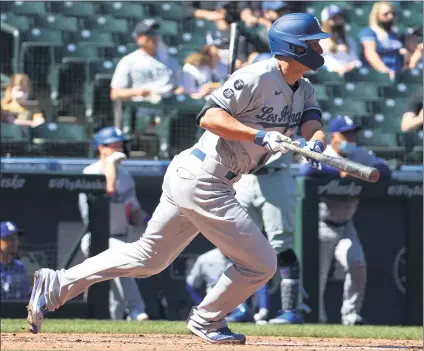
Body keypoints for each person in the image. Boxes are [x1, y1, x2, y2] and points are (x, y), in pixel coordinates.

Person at [27, 13, 329, 344]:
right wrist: (259, 136)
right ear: (293, 48)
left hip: (207, 177)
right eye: (312, 42)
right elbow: (209, 117)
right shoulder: (257, 76)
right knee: (261, 263)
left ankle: (57, 284)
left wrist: (315, 142)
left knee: (149, 258)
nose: (319, 46)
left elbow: (311, 122)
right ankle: (208, 319)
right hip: (204, 176)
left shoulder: (305, 88)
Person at [299, 115, 392, 325]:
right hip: (322, 223)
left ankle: (350, 316)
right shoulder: (325, 153)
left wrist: (355, 171)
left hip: (346, 224)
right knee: (318, 276)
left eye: (353, 134)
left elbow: (385, 170)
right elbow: (306, 169)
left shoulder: (359, 154)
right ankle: (318, 319)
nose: (350, 138)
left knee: (357, 264)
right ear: (334, 136)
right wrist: (338, 170)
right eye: (346, 134)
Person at [233, 52, 303, 325]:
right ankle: (240, 307)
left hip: (276, 176)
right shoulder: (246, 95)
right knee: (240, 245)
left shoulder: (292, 96)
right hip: (246, 176)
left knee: (280, 245)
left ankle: (290, 311)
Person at [79, 126, 150, 321]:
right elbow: (107, 194)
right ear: (101, 148)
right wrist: (109, 166)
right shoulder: (90, 172)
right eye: (114, 146)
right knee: (123, 261)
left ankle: (114, 328)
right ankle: (137, 310)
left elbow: (134, 209)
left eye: (121, 146)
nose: (119, 150)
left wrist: (149, 222)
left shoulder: (125, 175)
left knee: (116, 299)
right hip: (95, 238)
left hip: (120, 235)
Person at [110, 19, 183, 134]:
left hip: (167, 109)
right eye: (148, 34)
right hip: (140, 110)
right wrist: (138, 92)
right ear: (138, 38)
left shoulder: (170, 61)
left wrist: (178, 92)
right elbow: (115, 93)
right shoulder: (129, 61)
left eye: (155, 34)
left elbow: (180, 87)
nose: (153, 38)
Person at [186, 248, 269, 323]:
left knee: (243, 312)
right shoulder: (205, 258)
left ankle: (223, 321)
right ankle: (215, 319)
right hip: (213, 298)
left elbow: (259, 281)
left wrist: (263, 309)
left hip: (236, 298)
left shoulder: (244, 258)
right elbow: (191, 284)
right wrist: (200, 304)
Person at [358, 2, 404, 80]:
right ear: (377, 15)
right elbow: (370, 54)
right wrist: (386, 71)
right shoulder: (369, 32)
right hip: (378, 75)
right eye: (386, 14)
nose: (391, 16)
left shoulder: (394, 34)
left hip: (397, 72)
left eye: (393, 13)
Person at [320, 5, 362, 76]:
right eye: (334, 18)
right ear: (325, 21)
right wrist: (335, 69)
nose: (338, 21)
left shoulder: (349, 40)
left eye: (340, 18)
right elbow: (316, 63)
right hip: (329, 77)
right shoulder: (317, 41)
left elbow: (355, 60)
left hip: (348, 75)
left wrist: (352, 65)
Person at [0, 221, 31, 301]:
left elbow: (25, 294)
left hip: (17, 312)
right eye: (9, 239)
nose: (14, 243)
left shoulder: (19, 266)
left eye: (15, 239)